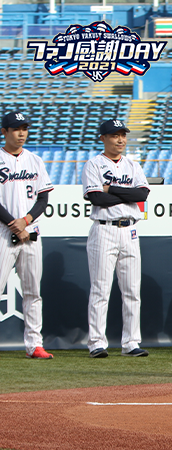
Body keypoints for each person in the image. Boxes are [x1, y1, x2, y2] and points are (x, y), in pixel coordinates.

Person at [83, 119, 149, 358]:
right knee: (101, 289)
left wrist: (110, 189)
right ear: (103, 138)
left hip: (130, 230)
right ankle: (97, 343)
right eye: (114, 135)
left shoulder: (132, 165)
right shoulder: (94, 164)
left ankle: (131, 343)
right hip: (104, 229)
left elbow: (142, 194)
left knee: (132, 290)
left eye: (122, 135)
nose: (120, 139)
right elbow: (96, 198)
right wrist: (126, 197)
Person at [0, 111, 54, 359]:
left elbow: (43, 198)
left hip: (30, 231)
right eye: (16, 129)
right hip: (3, 232)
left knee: (33, 291)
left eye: (24, 129)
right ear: (5, 132)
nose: (21, 133)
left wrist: (26, 221)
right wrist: (13, 223)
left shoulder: (35, 160)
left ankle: (34, 345)